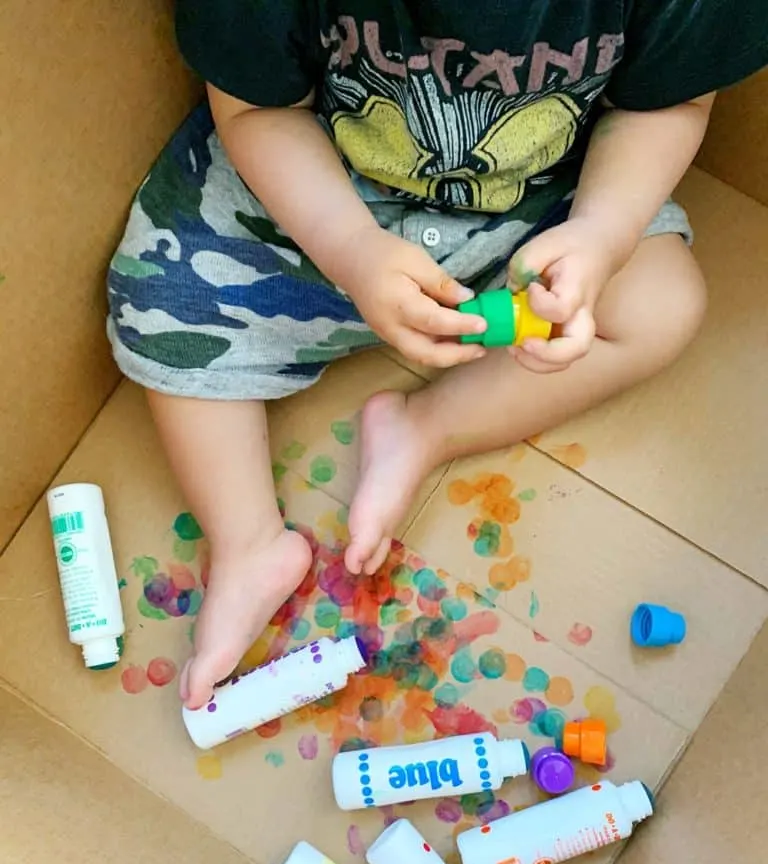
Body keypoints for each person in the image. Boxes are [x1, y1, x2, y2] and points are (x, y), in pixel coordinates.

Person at [107, 1, 768, 710]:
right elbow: (254, 114)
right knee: (160, 307)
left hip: (535, 209)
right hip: (319, 197)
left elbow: (665, 108)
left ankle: (425, 428)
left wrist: (602, 237)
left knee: (662, 304)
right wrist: (351, 249)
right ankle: (246, 542)